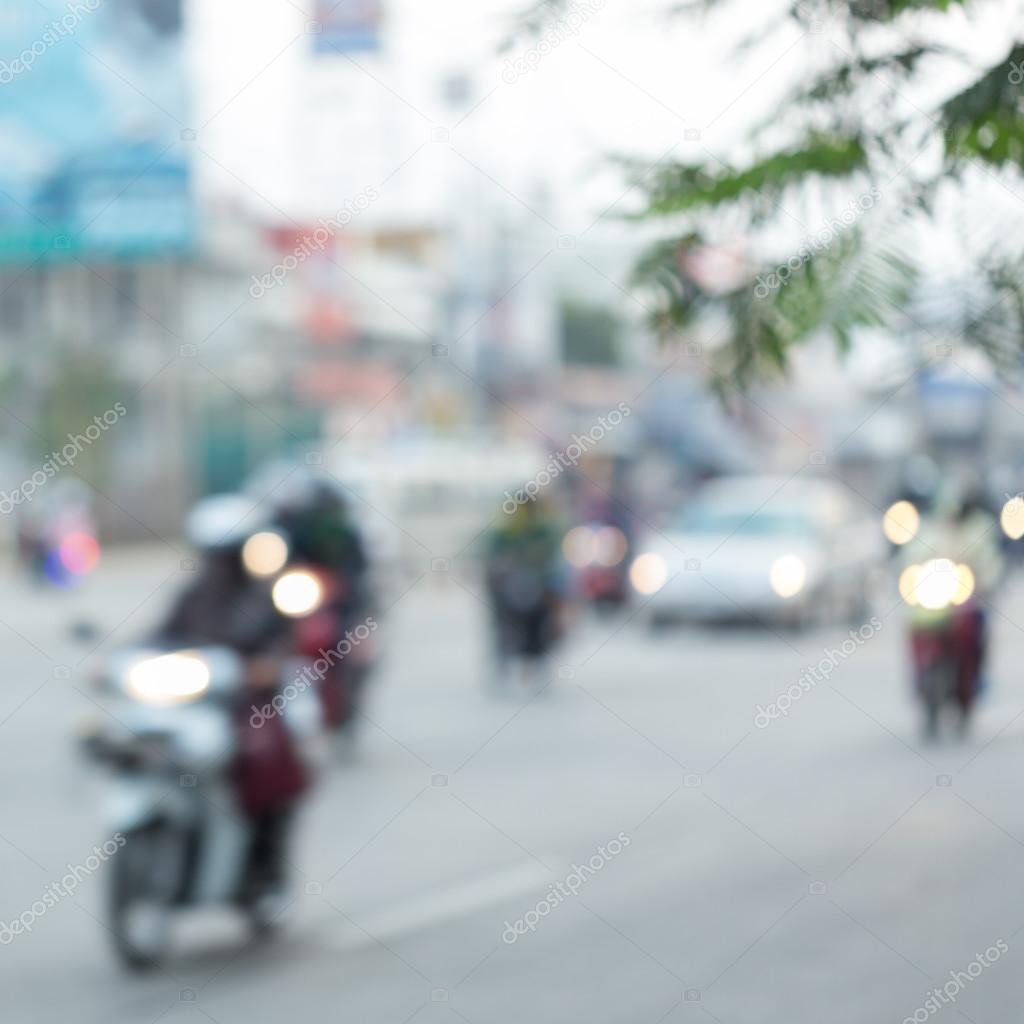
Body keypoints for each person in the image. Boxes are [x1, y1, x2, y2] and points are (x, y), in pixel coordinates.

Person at [154, 494, 312, 904]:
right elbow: (158, 636)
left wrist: (266, 667)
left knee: (266, 769)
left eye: (227, 553)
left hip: (251, 705)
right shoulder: (194, 594)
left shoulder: (267, 596)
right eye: (213, 554)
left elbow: (287, 644)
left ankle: (266, 872)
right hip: (194, 705)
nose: (219, 562)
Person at [274, 478, 373, 730]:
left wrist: (342, 588)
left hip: (339, 608)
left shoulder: (348, 537)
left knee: (356, 649)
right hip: (297, 604)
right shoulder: (292, 531)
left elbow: (358, 577)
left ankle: (346, 708)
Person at [484, 498, 567, 684]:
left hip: (539, 590)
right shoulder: (504, 534)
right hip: (508, 590)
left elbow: (553, 562)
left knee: (539, 625)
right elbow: (492, 561)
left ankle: (534, 662)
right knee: (505, 624)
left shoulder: (543, 532)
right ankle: (505, 657)